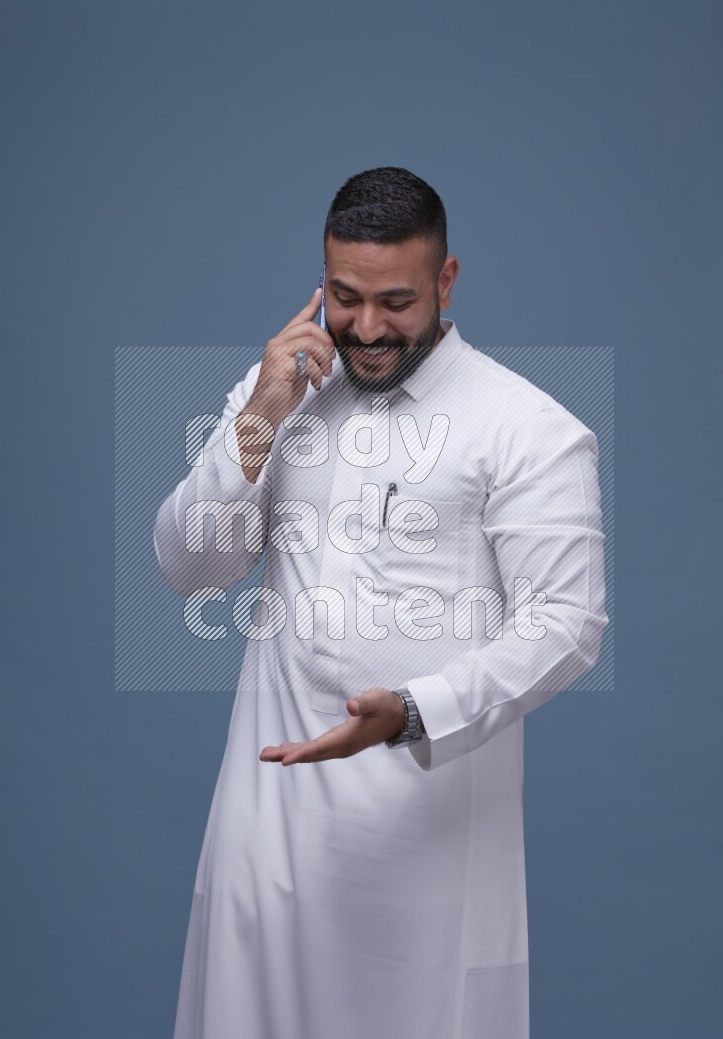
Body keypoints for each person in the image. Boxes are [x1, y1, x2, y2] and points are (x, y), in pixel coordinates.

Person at [154, 166, 608, 1039]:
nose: (366, 328)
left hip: (425, 862)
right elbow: (189, 567)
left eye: (396, 301)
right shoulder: (281, 396)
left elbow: (566, 625)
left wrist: (410, 711)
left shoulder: (528, 428)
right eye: (344, 296)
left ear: (446, 280)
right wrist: (260, 416)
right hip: (269, 839)